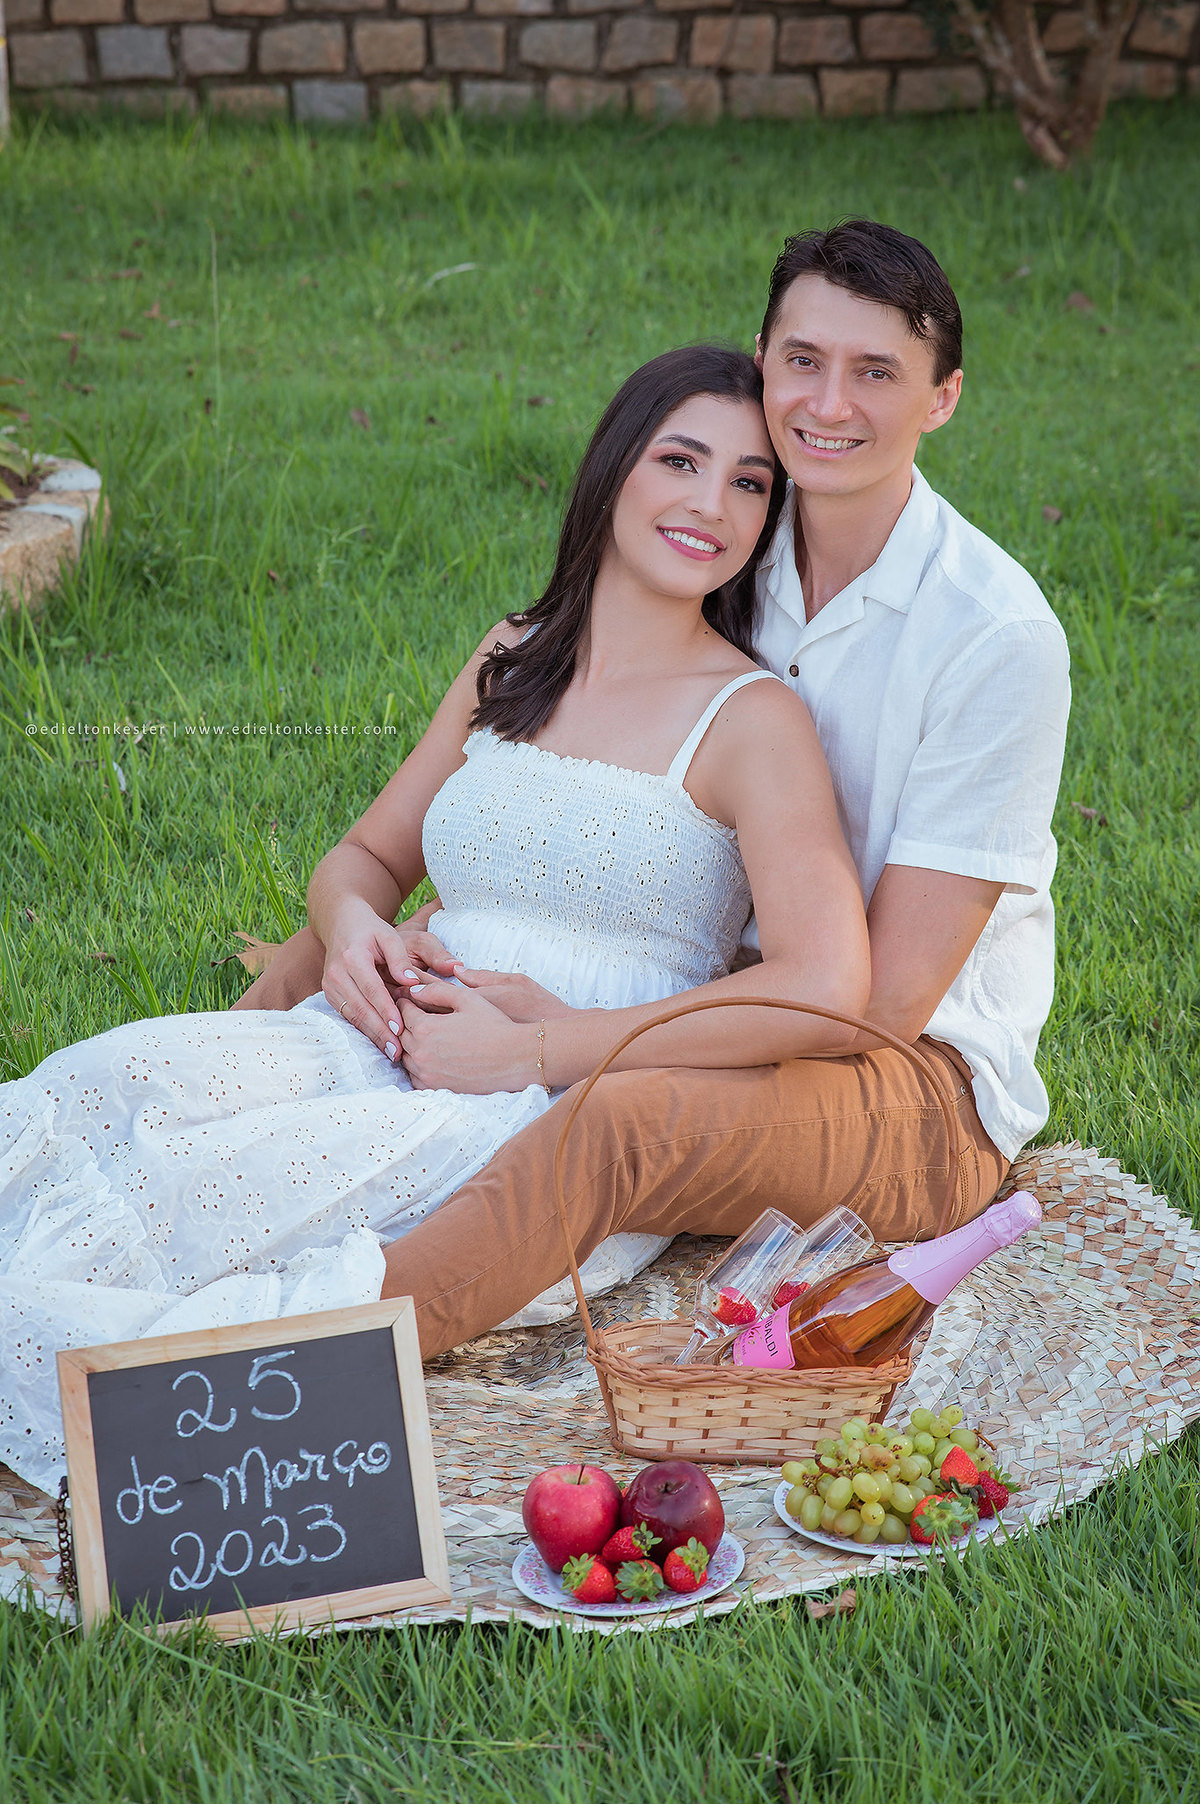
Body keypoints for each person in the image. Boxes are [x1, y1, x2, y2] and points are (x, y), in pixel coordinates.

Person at [0, 346, 871, 1493]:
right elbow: (366, 858)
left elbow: (826, 988)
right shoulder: (517, 653)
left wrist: (540, 1047)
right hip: (374, 1032)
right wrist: (354, 931)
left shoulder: (754, 720)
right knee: (103, 1082)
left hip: (539, 1114)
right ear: (614, 467)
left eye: (750, 482)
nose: (711, 503)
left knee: (198, 1199)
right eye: (681, 460)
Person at [238, 220, 1072, 1363]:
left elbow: (870, 1004)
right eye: (803, 360)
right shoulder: (733, 534)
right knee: (340, 954)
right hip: (716, 982)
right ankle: (184, 1154)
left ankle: (299, 1358)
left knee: (618, 1122)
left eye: (877, 372)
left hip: (905, 1071)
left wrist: (556, 1039)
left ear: (943, 398)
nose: (829, 402)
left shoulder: (992, 636)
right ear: (764, 360)